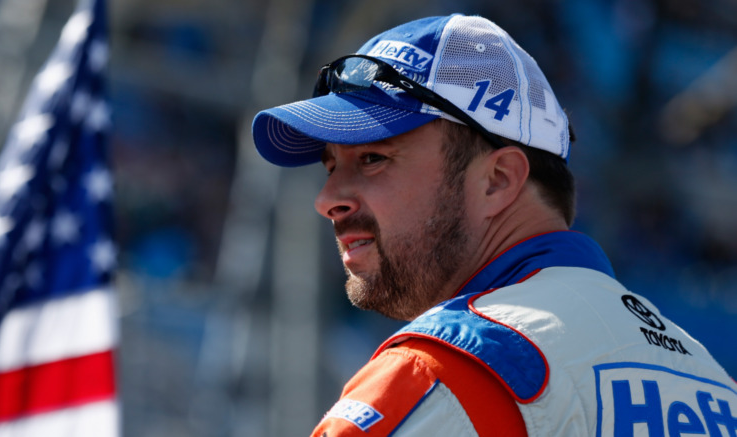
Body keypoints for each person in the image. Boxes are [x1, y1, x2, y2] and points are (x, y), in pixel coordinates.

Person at [252, 14, 737, 437]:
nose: (327, 199)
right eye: (331, 165)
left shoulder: (448, 371)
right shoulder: (711, 384)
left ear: (497, 180)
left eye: (374, 158)